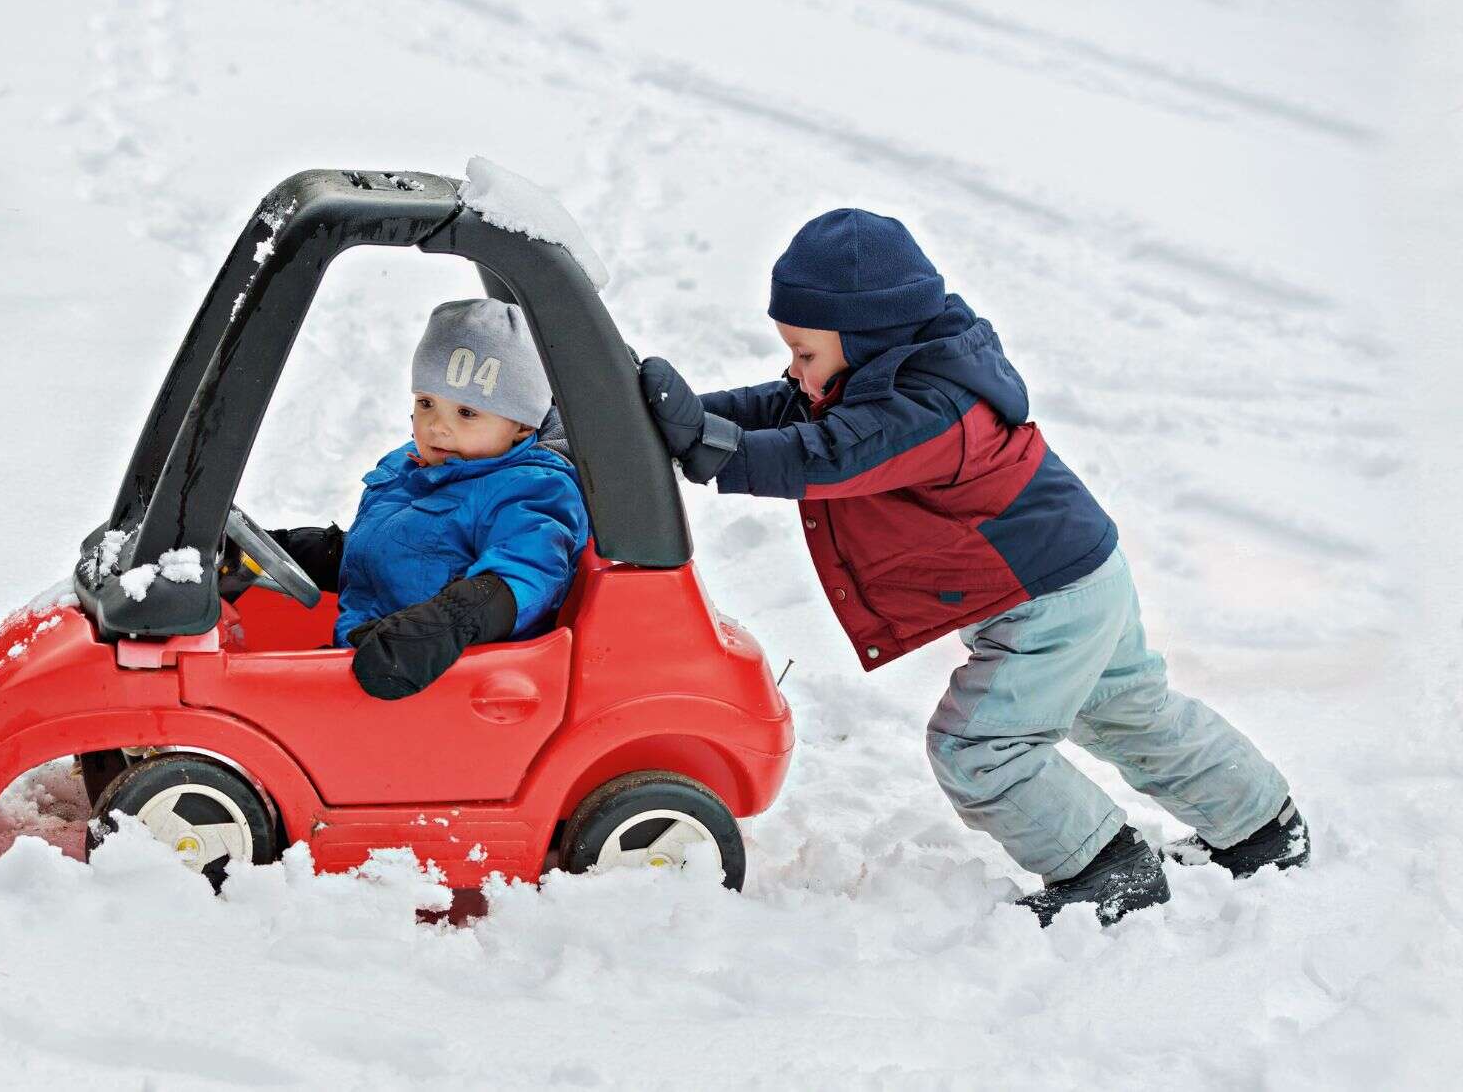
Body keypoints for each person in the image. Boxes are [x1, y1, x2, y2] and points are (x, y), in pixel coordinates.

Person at [637, 208, 1307, 925]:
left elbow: (827, 453)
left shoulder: (934, 407)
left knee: (978, 746)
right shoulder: (891, 369)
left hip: (1051, 597)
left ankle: (1107, 868)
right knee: (1128, 712)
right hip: (1079, 571)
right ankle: (1263, 827)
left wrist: (715, 449)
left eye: (805, 355)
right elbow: (789, 407)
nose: (796, 374)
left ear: (866, 339)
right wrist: (693, 420)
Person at [251, 298, 588, 701]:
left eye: (467, 412)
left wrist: (445, 624)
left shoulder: (530, 489)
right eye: (426, 402)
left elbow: (525, 574)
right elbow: (392, 552)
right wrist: (282, 550)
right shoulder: (411, 465)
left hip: (447, 689)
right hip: (370, 663)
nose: (437, 427)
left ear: (520, 425)